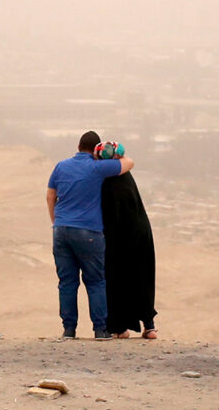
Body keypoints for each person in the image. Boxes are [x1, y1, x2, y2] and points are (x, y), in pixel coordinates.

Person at [46, 130, 133, 340]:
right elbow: (129, 162)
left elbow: (50, 196)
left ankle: (69, 329)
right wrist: (113, 152)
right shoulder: (98, 167)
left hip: (61, 230)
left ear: (77, 146)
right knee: (95, 281)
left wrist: (56, 222)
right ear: (95, 150)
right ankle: (100, 330)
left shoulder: (61, 166)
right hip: (89, 232)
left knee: (67, 282)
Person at [96, 141, 159, 339]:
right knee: (142, 278)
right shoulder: (126, 177)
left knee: (115, 280)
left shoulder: (104, 180)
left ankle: (119, 328)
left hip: (116, 238)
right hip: (140, 233)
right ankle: (149, 326)